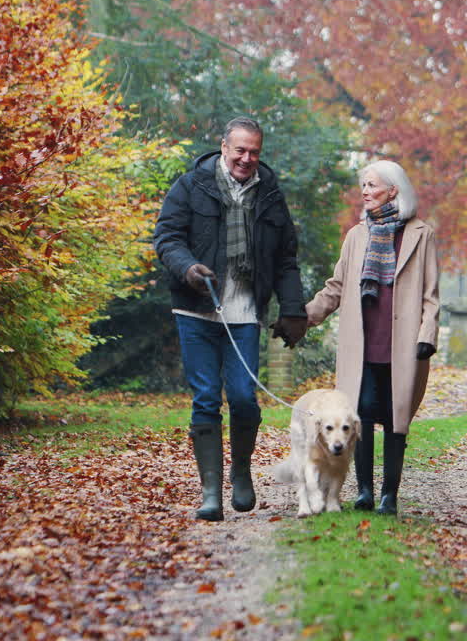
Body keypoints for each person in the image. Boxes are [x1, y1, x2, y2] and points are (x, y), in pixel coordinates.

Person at [153, 116, 309, 522]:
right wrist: (188, 269)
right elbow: (167, 238)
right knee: (206, 396)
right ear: (224, 148)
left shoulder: (270, 196)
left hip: (243, 313)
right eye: (239, 150)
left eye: (254, 152)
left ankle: (241, 470)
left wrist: (293, 310)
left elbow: (286, 260)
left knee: (243, 396)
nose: (246, 158)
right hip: (196, 307)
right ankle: (210, 493)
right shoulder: (190, 186)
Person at [305, 161, 440, 515]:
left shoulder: (421, 234)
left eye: (372, 185)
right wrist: (302, 318)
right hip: (361, 343)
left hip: (403, 344)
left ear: (393, 191)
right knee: (360, 415)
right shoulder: (356, 236)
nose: (364, 191)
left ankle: (388, 496)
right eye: (363, 185)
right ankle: (364, 491)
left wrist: (428, 334)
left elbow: (431, 293)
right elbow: (336, 288)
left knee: (397, 420)